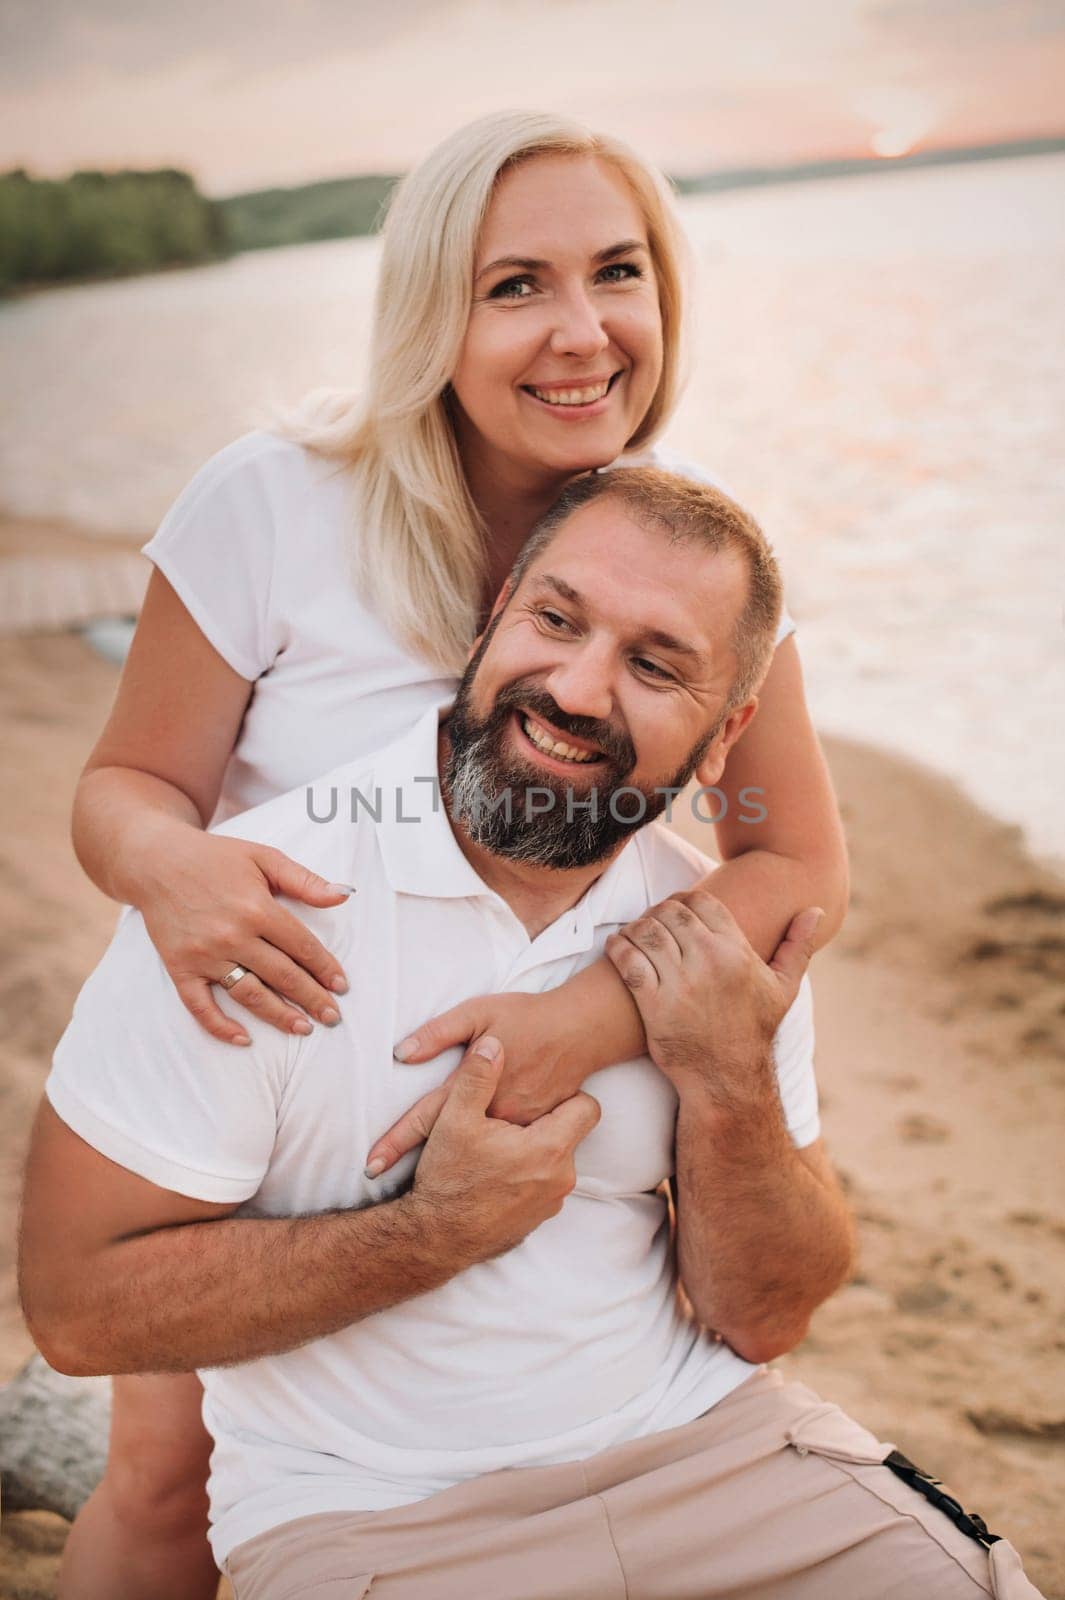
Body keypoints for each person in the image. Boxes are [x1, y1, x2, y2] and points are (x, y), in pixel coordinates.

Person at [64, 112, 848, 1598]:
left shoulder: (690, 553)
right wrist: (172, 870)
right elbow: (123, 785)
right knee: (168, 1484)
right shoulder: (275, 502)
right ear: (434, 309)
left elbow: (790, 862)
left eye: (617, 273)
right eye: (515, 286)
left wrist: (580, 1021)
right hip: (272, 1102)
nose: (580, 332)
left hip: (560, 1140)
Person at [23, 469, 1041, 1599]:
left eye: (656, 665)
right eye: (556, 620)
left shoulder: (714, 930)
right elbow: (75, 1309)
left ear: (726, 734)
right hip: (375, 1514)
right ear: (495, 613)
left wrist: (729, 1080)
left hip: (710, 1454)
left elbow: (767, 1312)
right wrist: (433, 1231)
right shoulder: (258, 908)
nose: (578, 686)